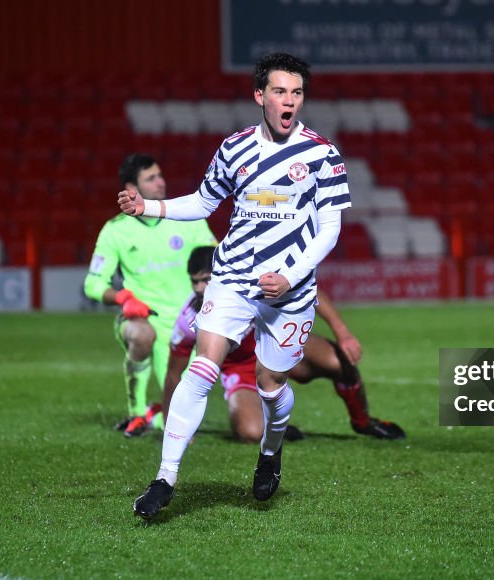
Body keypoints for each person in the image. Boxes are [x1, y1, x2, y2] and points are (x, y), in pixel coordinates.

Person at [120, 52, 350, 520]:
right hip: (233, 278)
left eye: (297, 92)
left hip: (290, 291)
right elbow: (204, 203)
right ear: (260, 96)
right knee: (202, 368)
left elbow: (329, 228)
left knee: (270, 386)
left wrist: (289, 274)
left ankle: (271, 450)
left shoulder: (322, 155)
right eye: (281, 91)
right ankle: (164, 478)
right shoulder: (235, 148)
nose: (290, 101)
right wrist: (150, 207)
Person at [168, 246, 405, 442]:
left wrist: (343, 333)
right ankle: (273, 425)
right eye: (195, 282)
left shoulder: (254, 280)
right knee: (251, 432)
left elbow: (310, 292)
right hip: (243, 372)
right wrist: (175, 428)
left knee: (337, 360)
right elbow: (173, 375)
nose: (200, 288)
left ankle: (363, 422)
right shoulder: (190, 317)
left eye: (206, 280)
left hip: (278, 345)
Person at [84, 153, 217, 437]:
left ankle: (267, 415)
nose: (161, 182)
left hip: (189, 322)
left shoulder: (185, 216)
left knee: (189, 413)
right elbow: (92, 285)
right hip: (145, 319)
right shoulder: (115, 231)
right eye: (151, 178)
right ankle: (136, 413)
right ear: (132, 189)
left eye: (160, 175)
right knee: (140, 335)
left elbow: (213, 260)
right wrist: (123, 299)